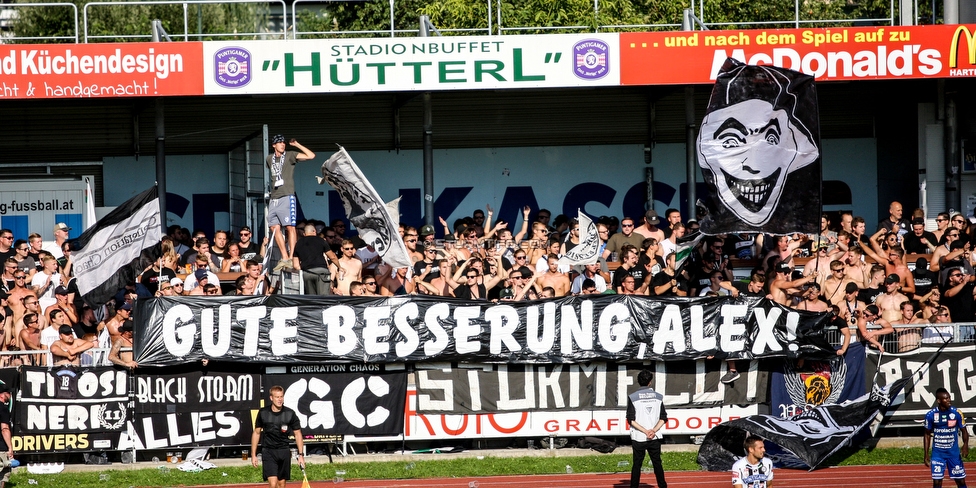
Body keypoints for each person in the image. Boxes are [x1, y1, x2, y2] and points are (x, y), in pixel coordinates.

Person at [266, 134, 316, 267]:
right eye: (280, 143)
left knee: (290, 227)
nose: (283, 144)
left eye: (284, 143)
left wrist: (297, 144)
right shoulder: (269, 159)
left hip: (287, 195)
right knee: (274, 227)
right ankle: (285, 257)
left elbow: (311, 156)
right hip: (274, 197)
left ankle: (293, 256)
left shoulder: (290, 155)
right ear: (274, 145)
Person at [252, 385, 305, 488]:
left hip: (284, 451)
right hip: (268, 451)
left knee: (281, 484)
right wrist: (253, 454)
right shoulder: (263, 413)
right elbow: (256, 433)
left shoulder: (290, 413)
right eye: (277, 397)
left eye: (281, 396)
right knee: (273, 484)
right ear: (271, 398)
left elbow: (298, 434)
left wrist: (301, 455)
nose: (280, 399)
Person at [627, 369, 667, 488]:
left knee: (637, 465)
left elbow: (631, 420)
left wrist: (645, 431)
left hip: (639, 437)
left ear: (638, 382)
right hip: (654, 437)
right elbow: (663, 418)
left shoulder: (633, 397)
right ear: (650, 382)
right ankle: (662, 486)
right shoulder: (658, 397)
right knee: (657, 464)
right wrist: (653, 431)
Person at [924, 388, 969, 488]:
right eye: (946, 398)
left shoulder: (957, 413)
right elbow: (927, 434)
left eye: (949, 397)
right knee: (937, 482)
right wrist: (926, 454)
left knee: (960, 481)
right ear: (939, 401)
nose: (949, 400)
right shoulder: (930, 415)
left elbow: (964, 431)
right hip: (938, 454)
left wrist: (965, 445)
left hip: (953, 454)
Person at [291, 224, 333, 296]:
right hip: (321, 272)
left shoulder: (298, 243)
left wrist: (305, 268)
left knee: (312, 299)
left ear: (304, 233)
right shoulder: (321, 240)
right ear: (314, 231)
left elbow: (295, 265)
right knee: (323, 298)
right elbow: (333, 256)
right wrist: (340, 267)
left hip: (307, 273)